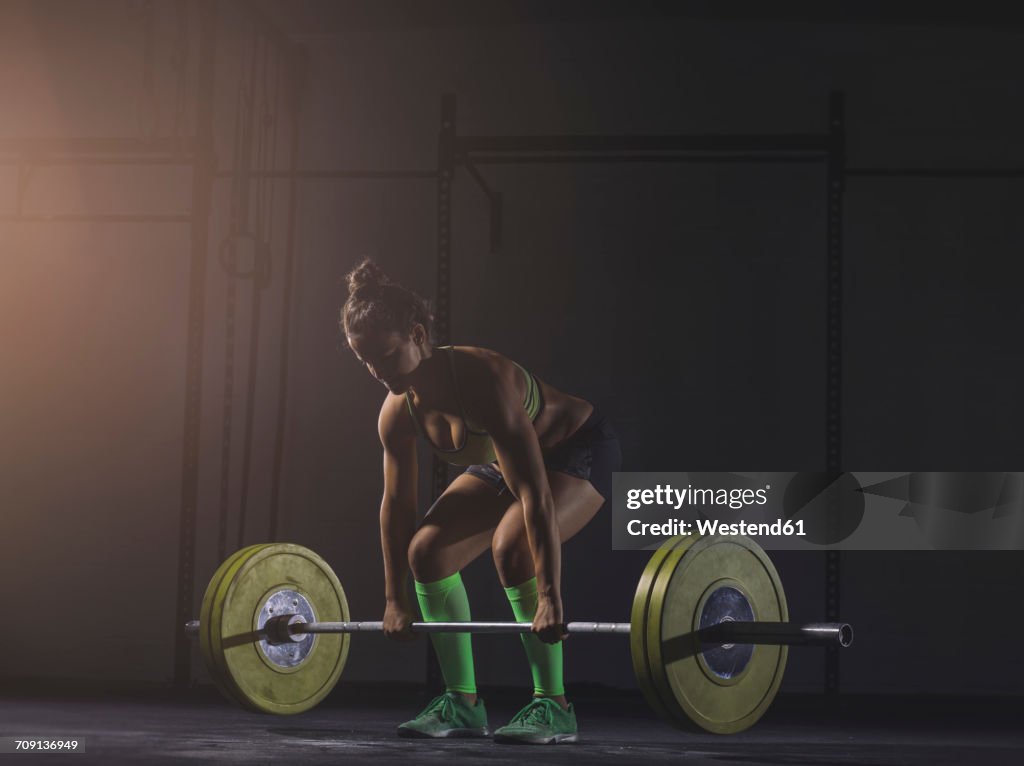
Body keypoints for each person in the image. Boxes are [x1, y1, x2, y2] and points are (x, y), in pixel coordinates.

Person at [340, 258, 621, 745]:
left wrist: (552, 597)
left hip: (576, 451)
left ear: (418, 334)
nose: (376, 372)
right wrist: (394, 598)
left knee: (513, 548)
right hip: (504, 459)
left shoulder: (483, 379)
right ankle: (463, 704)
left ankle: (554, 706)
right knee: (426, 551)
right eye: (364, 360)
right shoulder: (397, 412)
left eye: (386, 356)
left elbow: (533, 491)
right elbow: (397, 507)